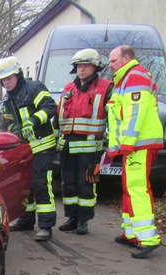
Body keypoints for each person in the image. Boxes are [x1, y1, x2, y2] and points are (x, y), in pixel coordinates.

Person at [0, 56, 58, 241]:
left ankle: (45, 225)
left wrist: (34, 120)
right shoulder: (8, 99)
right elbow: (8, 123)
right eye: (3, 80)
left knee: (40, 184)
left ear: (18, 75)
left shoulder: (33, 88)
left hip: (42, 145)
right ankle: (26, 220)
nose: (6, 82)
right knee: (24, 185)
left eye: (9, 78)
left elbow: (50, 106)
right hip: (22, 150)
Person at [107, 45, 164, 258]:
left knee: (138, 188)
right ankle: (131, 233)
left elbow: (134, 113)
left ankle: (148, 238)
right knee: (130, 187)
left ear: (126, 58)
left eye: (113, 61)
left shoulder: (135, 76)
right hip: (137, 144)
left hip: (139, 144)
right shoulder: (126, 78)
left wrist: (127, 144)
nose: (110, 65)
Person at [56, 49, 113, 235]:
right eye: (79, 66)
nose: (82, 69)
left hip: (90, 148)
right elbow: (58, 118)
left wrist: (104, 150)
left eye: (86, 66)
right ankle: (72, 217)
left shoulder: (106, 88)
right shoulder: (68, 89)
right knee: (68, 183)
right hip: (67, 146)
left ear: (95, 67)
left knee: (85, 183)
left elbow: (112, 121)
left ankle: (83, 220)